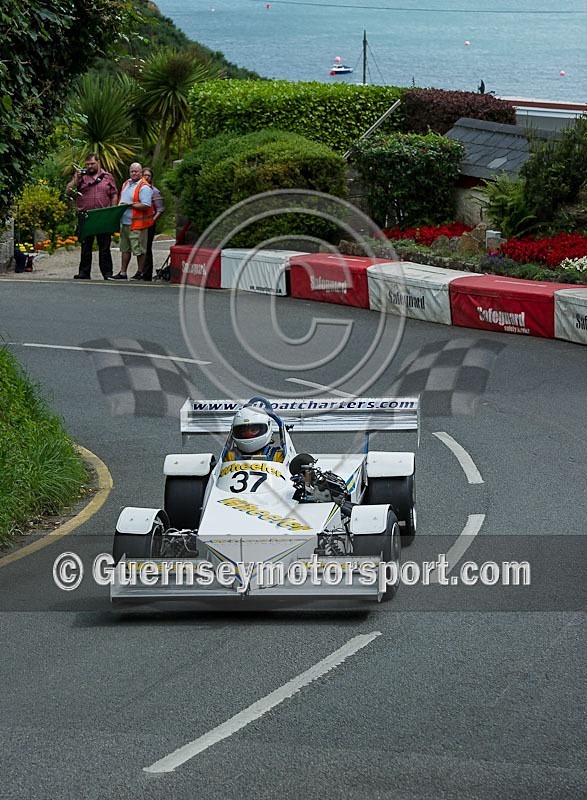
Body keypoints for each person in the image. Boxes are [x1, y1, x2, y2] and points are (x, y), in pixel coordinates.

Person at [65, 153, 118, 280]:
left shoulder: (108, 177)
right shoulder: (81, 177)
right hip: (86, 215)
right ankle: (84, 272)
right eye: (87, 164)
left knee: (104, 246)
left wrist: (112, 211)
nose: (89, 166)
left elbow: (114, 194)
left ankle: (107, 273)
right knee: (86, 245)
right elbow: (68, 191)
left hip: (102, 215)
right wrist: (76, 179)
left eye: (92, 164)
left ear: (99, 163)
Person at [110, 162, 154, 280]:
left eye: (136, 171)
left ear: (141, 172)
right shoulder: (126, 183)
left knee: (139, 250)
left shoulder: (144, 187)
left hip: (138, 224)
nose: (133, 173)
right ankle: (123, 272)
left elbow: (146, 205)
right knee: (125, 249)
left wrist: (130, 205)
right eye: (132, 171)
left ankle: (140, 272)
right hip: (125, 223)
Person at [137, 167, 165, 282]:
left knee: (147, 248)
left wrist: (153, 220)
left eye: (148, 175)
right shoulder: (138, 189)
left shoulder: (154, 191)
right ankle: (140, 271)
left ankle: (146, 273)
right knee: (140, 248)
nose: (146, 177)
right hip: (139, 222)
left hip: (149, 223)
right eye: (144, 175)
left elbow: (160, 209)